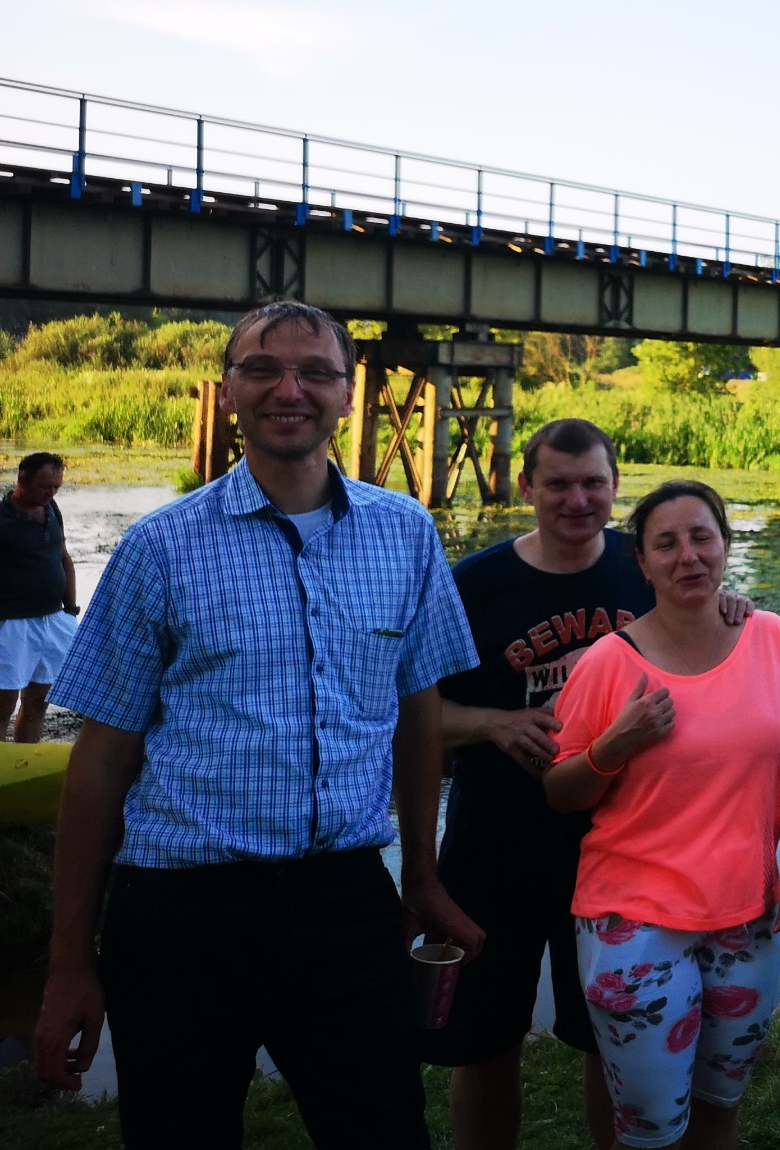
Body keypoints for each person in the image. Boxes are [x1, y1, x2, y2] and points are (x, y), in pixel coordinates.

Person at [32, 300, 483, 1148]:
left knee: (384, 1130)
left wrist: (419, 874)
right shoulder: (159, 547)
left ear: (348, 394)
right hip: (178, 915)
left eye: (316, 372)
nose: (290, 389)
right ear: (229, 389)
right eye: (263, 369)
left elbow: (417, 715)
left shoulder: (408, 534)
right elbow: (100, 763)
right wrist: (68, 962)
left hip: (345, 899)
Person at [428, 418, 752, 1150]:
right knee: (485, 1043)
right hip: (493, 850)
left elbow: (709, 646)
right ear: (526, 488)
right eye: (559, 484)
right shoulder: (474, 585)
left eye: (593, 484)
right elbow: (411, 714)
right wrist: (490, 724)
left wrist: (727, 608)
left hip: (613, 854)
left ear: (615, 486)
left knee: (609, 1044)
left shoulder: (640, 571)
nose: (577, 501)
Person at [545, 479, 780, 1150]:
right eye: (665, 543)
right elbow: (561, 792)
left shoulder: (772, 639)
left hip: (746, 919)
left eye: (702, 537)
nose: (688, 556)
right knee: (649, 1131)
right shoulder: (610, 663)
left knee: (720, 1110)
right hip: (633, 925)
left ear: (727, 546)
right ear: (641, 563)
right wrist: (613, 747)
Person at [0, 451, 78, 742]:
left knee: (38, 703)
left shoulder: (52, 509)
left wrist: (70, 608)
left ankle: (25, 765)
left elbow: (63, 557)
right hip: (12, 626)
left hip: (54, 619)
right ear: (22, 478)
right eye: (44, 486)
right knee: (3, 706)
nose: (50, 492)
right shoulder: (3, 518)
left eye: (56, 487)